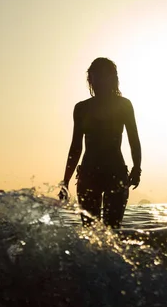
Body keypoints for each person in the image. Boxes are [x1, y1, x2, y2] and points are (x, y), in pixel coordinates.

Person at [59, 57, 141, 228]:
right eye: (96, 76)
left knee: (112, 230)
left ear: (113, 79)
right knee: (90, 231)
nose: (100, 81)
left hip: (115, 173)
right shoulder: (81, 108)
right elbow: (76, 146)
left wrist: (136, 168)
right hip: (89, 174)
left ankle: (108, 256)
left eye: (105, 76)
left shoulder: (124, 105)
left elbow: (134, 139)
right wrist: (65, 181)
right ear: (90, 79)